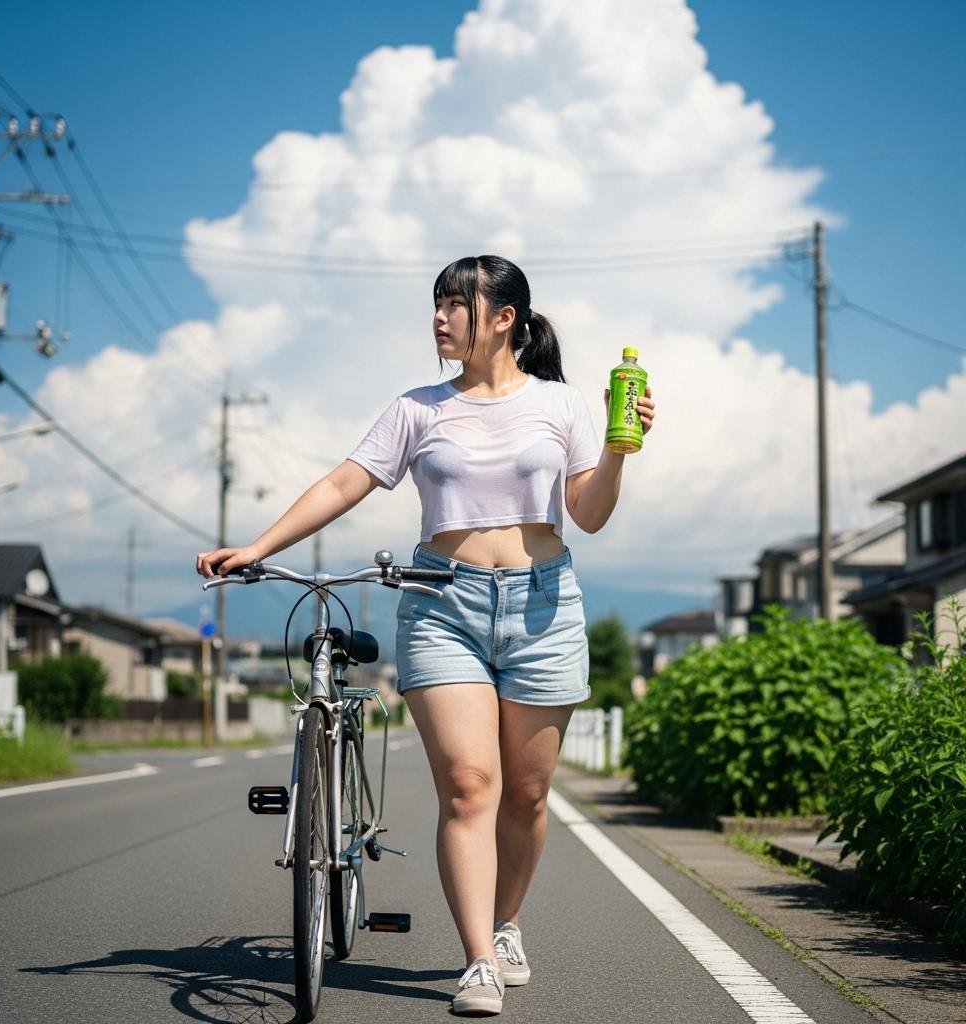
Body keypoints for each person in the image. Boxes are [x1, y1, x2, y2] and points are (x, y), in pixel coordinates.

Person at [195, 254, 655, 1016]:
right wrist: (259, 546)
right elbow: (345, 482)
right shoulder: (417, 408)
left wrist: (617, 449)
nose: (439, 319)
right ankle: (477, 959)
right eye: (436, 305)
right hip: (442, 605)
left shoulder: (565, 406)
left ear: (503, 318)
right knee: (472, 787)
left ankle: (507, 924)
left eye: (455, 305)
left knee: (529, 795)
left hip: (544, 606)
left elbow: (591, 513)